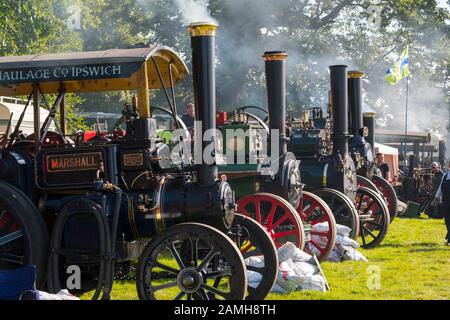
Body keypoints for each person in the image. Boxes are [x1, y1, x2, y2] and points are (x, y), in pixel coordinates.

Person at [433, 161, 450, 246]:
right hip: (445, 201)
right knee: (447, 219)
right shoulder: (445, 175)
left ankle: (449, 239)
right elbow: (440, 188)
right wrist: (436, 198)